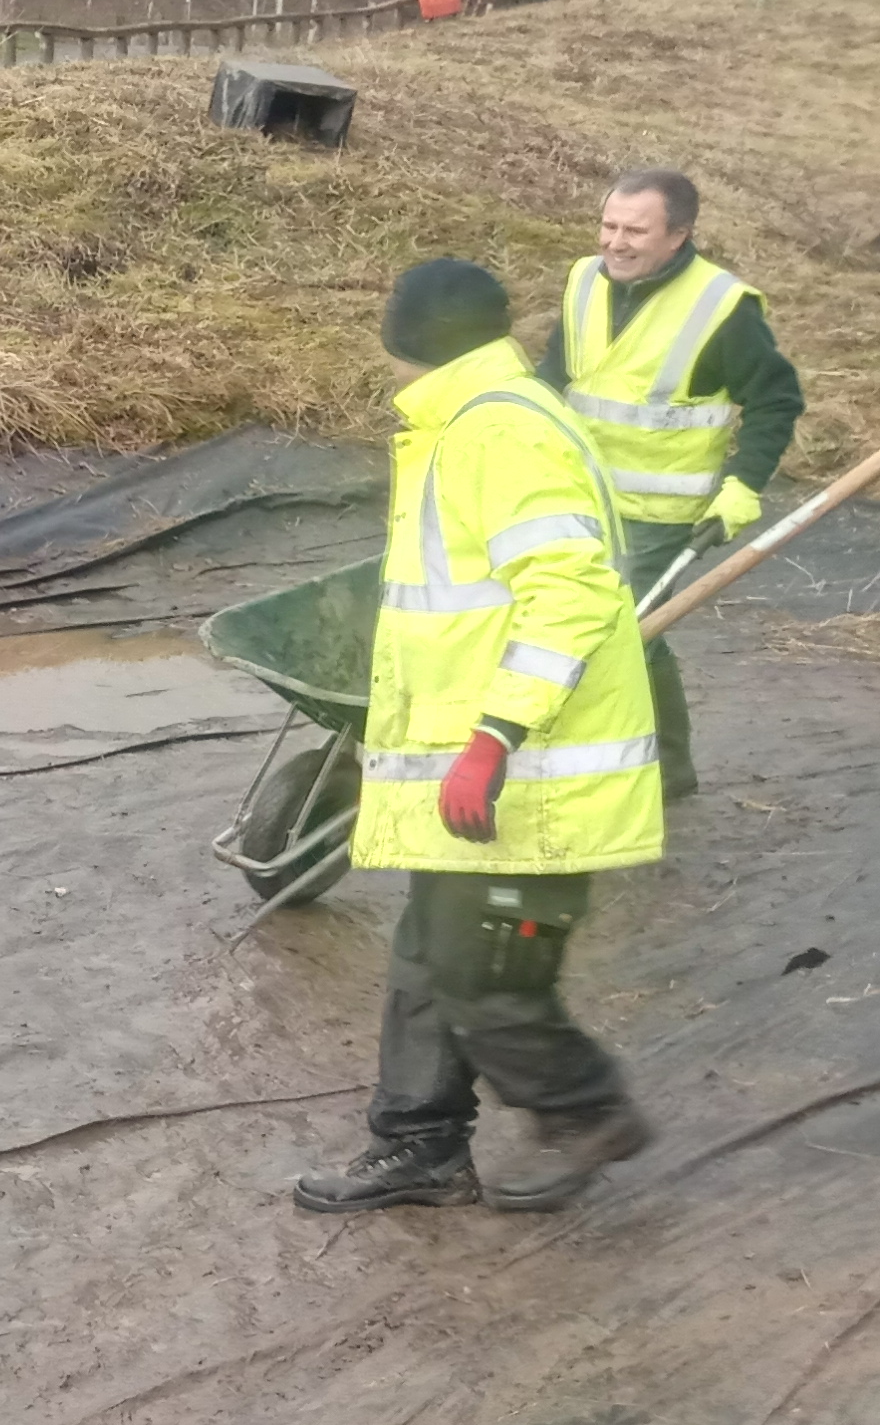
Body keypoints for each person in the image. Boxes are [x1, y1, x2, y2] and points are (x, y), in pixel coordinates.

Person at [296, 261, 661, 1217]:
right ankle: (417, 1145)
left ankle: (585, 1112)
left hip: (529, 783)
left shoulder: (500, 430)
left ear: (415, 333)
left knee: (487, 971)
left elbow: (570, 592)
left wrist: (494, 737)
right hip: (479, 780)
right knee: (429, 960)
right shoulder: (465, 419)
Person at [532, 166, 804, 801]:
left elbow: (776, 400)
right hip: (574, 493)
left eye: (635, 231)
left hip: (658, 513)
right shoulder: (581, 281)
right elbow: (555, 373)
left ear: (678, 235)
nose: (615, 243)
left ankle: (623, 765)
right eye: (608, 225)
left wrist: (742, 486)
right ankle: (667, 765)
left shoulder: (722, 309)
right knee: (626, 631)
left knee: (613, 630)